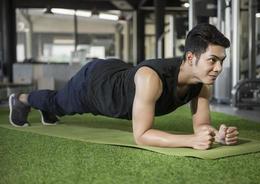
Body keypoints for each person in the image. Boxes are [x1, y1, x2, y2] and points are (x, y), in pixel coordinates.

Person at [9, 23, 239, 150]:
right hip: (95, 85)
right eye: (212, 60)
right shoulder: (152, 79)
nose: (218, 68)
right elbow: (142, 135)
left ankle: (48, 109)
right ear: (190, 58)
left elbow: (202, 126)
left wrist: (216, 135)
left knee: (57, 104)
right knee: (59, 102)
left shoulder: (201, 84)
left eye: (222, 61)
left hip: (119, 71)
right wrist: (189, 141)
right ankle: (21, 100)